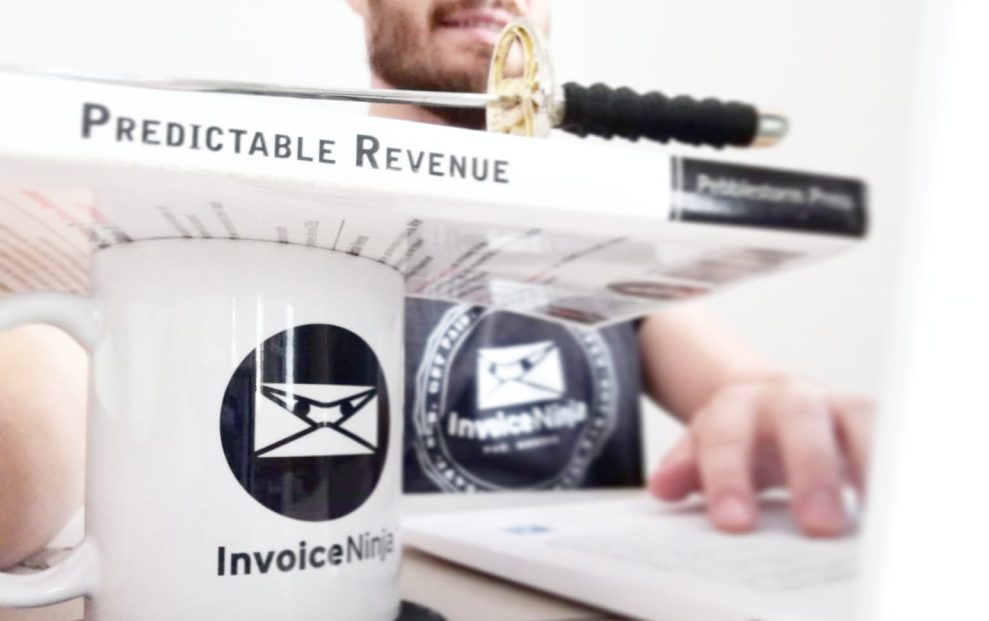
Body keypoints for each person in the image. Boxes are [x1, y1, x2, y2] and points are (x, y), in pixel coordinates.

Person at [0, 0, 870, 570]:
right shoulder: (229, 211)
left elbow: (745, 392)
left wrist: (780, 413)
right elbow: (35, 437)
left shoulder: (599, 227)